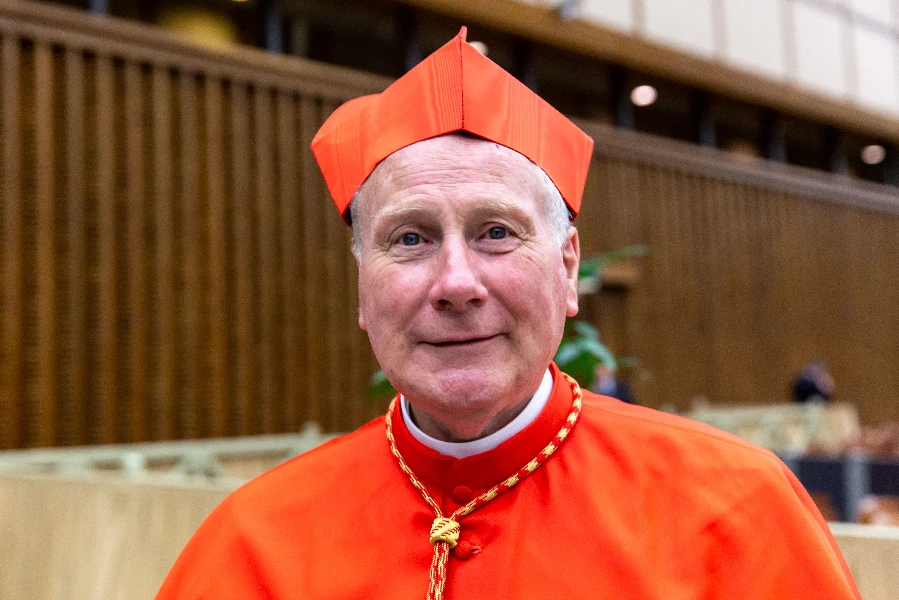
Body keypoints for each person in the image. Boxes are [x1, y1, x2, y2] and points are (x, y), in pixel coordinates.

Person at [157, 28, 860, 600]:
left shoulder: (734, 507)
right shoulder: (252, 541)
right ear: (362, 285)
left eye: (496, 232)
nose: (455, 284)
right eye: (410, 239)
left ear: (567, 267)